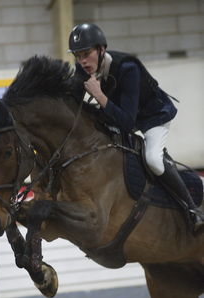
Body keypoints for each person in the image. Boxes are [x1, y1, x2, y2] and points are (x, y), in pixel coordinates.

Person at [68, 22, 204, 233]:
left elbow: (128, 124)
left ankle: (192, 210)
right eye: (78, 55)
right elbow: (73, 104)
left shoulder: (127, 68)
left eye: (87, 53)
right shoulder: (82, 68)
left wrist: (100, 96)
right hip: (120, 114)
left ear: (101, 49)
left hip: (153, 115)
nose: (82, 61)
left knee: (153, 160)